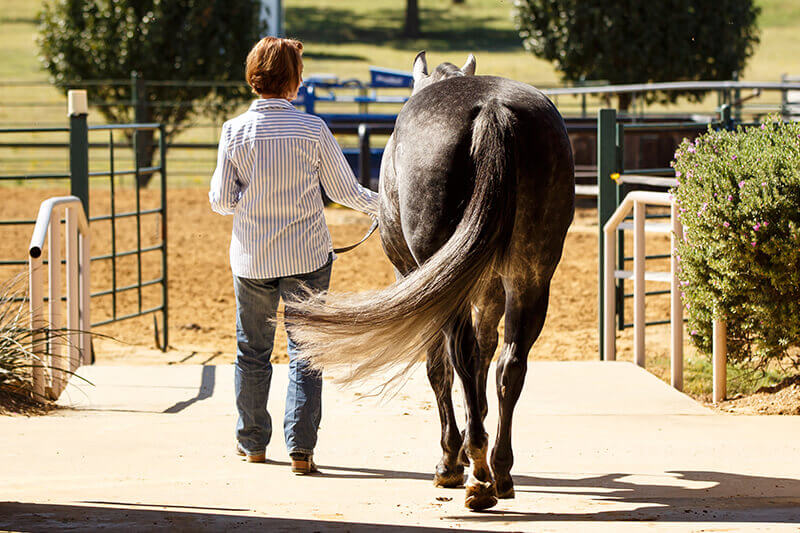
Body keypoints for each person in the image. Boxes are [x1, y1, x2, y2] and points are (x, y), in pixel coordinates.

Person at [209, 36, 379, 474]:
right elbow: (345, 192)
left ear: (255, 76)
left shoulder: (234, 131)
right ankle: (301, 451)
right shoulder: (313, 129)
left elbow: (222, 201)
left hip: (253, 259)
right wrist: (387, 207)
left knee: (252, 351)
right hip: (307, 257)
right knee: (306, 354)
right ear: (294, 80)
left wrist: (253, 200)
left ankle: (252, 444)